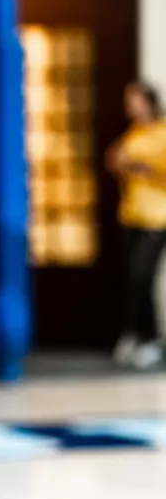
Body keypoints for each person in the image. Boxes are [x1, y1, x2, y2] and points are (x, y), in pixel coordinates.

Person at [106, 80, 166, 370]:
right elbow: (113, 160)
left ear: (149, 102)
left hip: (157, 218)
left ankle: (151, 338)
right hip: (132, 215)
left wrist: (137, 166)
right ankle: (136, 332)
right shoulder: (133, 133)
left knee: (143, 277)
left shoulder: (161, 133)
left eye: (135, 101)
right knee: (132, 279)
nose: (130, 107)